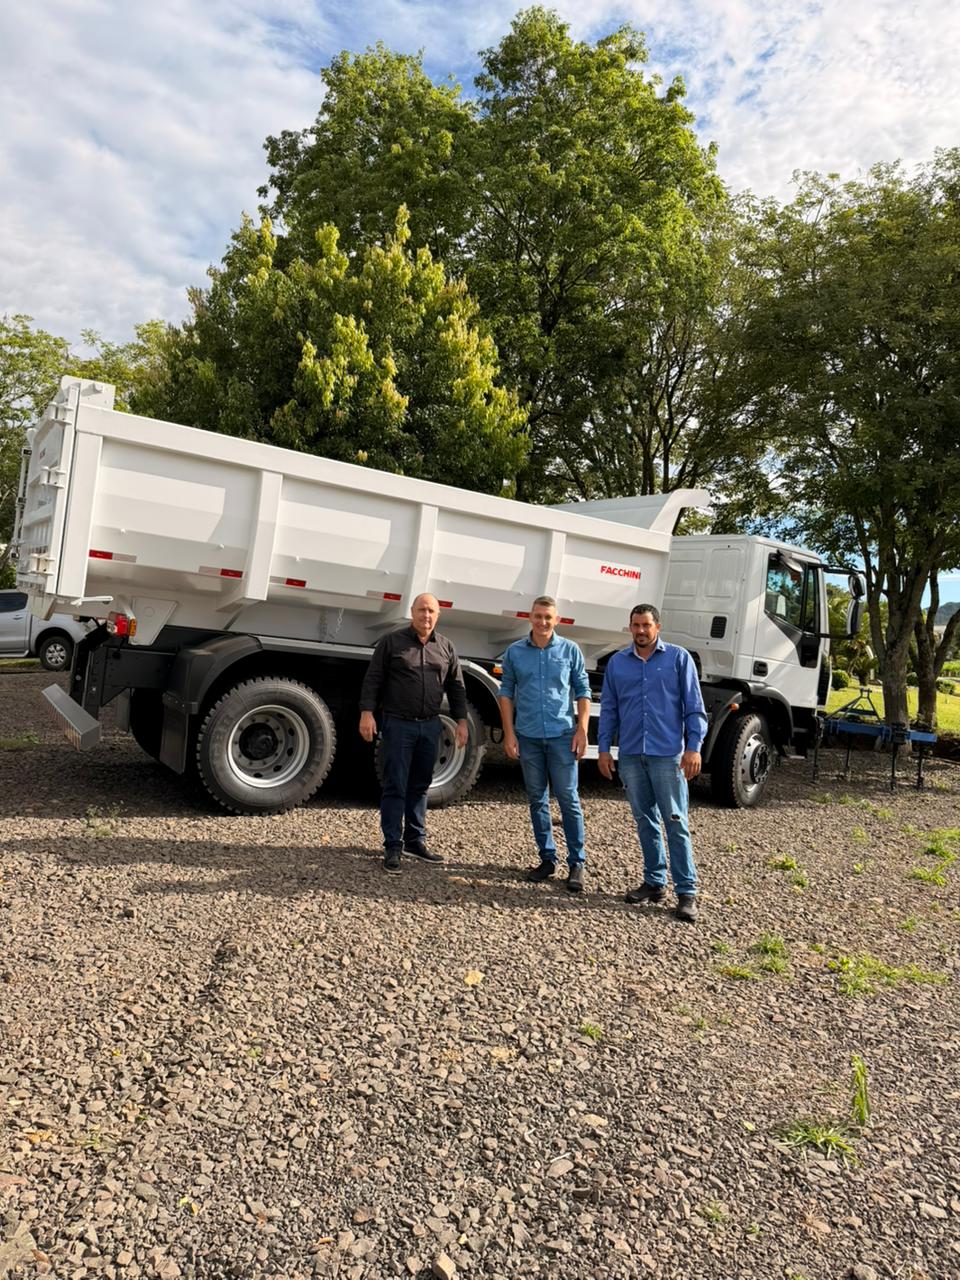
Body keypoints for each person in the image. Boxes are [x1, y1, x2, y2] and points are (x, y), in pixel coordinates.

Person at [597, 603, 707, 923]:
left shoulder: (678, 659)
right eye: (635, 625)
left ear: (657, 627)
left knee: (675, 822)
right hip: (631, 754)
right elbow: (610, 710)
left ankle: (686, 892)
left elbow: (694, 708)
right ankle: (654, 882)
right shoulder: (618, 663)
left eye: (646, 625)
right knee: (645, 820)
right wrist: (604, 750)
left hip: (668, 754)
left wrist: (694, 748)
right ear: (629, 627)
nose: (641, 631)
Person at [359, 593, 468, 874]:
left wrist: (462, 721)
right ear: (412, 612)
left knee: (420, 785)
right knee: (395, 784)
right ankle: (392, 845)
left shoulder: (446, 647)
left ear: (438, 615)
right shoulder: (392, 642)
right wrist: (367, 713)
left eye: (431, 611)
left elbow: (456, 687)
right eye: (422, 610)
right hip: (398, 724)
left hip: (430, 725)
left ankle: (415, 841)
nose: (426, 616)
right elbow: (374, 678)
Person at [499, 596, 591, 893]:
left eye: (548, 617)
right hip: (528, 736)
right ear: (530, 617)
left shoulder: (570, 650)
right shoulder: (515, 652)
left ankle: (577, 863)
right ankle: (547, 859)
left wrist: (582, 730)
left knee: (568, 799)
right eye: (538, 616)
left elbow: (583, 691)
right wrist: (509, 734)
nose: (542, 622)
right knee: (537, 799)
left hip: (562, 736)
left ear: (557, 619)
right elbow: (506, 693)